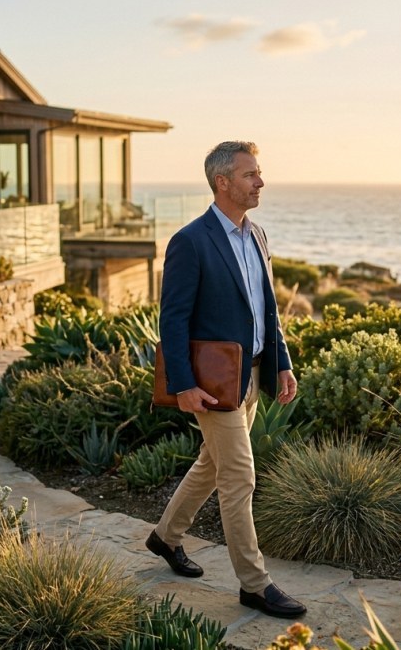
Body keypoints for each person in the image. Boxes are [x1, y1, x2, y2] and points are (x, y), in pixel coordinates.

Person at [145, 140, 306, 619]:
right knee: (239, 477)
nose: (260, 181)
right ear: (223, 182)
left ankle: (165, 537)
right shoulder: (190, 241)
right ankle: (254, 584)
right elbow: (172, 320)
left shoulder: (256, 235)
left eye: (259, 173)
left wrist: (282, 363)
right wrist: (183, 384)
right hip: (213, 384)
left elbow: (266, 309)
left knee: (211, 467)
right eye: (250, 174)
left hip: (253, 373)